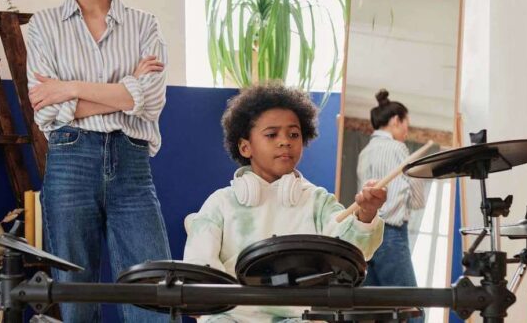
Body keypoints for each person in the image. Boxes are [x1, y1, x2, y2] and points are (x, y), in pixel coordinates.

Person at [26, 0, 170, 322]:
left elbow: (151, 100)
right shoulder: (44, 26)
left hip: (131, 163)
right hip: (70, 162)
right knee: (76, 295)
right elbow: (45, 111)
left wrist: (69, 89)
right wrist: (126, 91)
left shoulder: (144, 25)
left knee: (154, 292)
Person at [183, 84, 388, 322]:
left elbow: (353, 252)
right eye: (272, 135)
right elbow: (200, 268)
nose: (285, 142)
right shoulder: (220, 203)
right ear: (245, 146)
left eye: (293, 134)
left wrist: (366, 213)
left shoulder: (317, 201)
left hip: (302, 315)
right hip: (231, 316)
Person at [356, 89, 429, 322]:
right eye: (406, 123)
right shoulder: (398, 149)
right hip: (390, 235)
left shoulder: (364, 153)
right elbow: (418, 201)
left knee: (380, 314)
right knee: (413, 312)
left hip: (365, 238)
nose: (407, 131)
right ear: (396, 121)